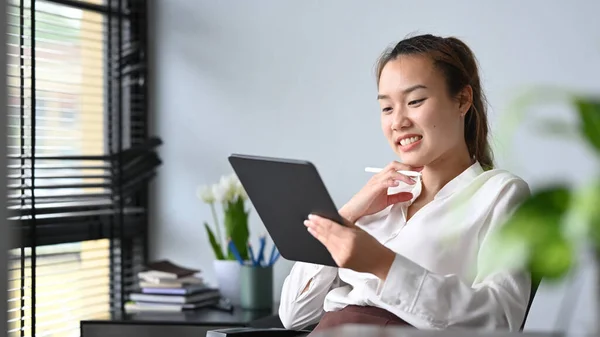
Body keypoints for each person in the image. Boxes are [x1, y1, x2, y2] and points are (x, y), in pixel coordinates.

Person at [278, 34, 532, 333]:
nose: (398, 122)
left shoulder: (501, 194)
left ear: (462, 100)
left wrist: (383, 264)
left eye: (415, 101)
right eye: (387, 108)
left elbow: (498, 321)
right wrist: (347, 215)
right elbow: (294, 315)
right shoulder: (379, 199)